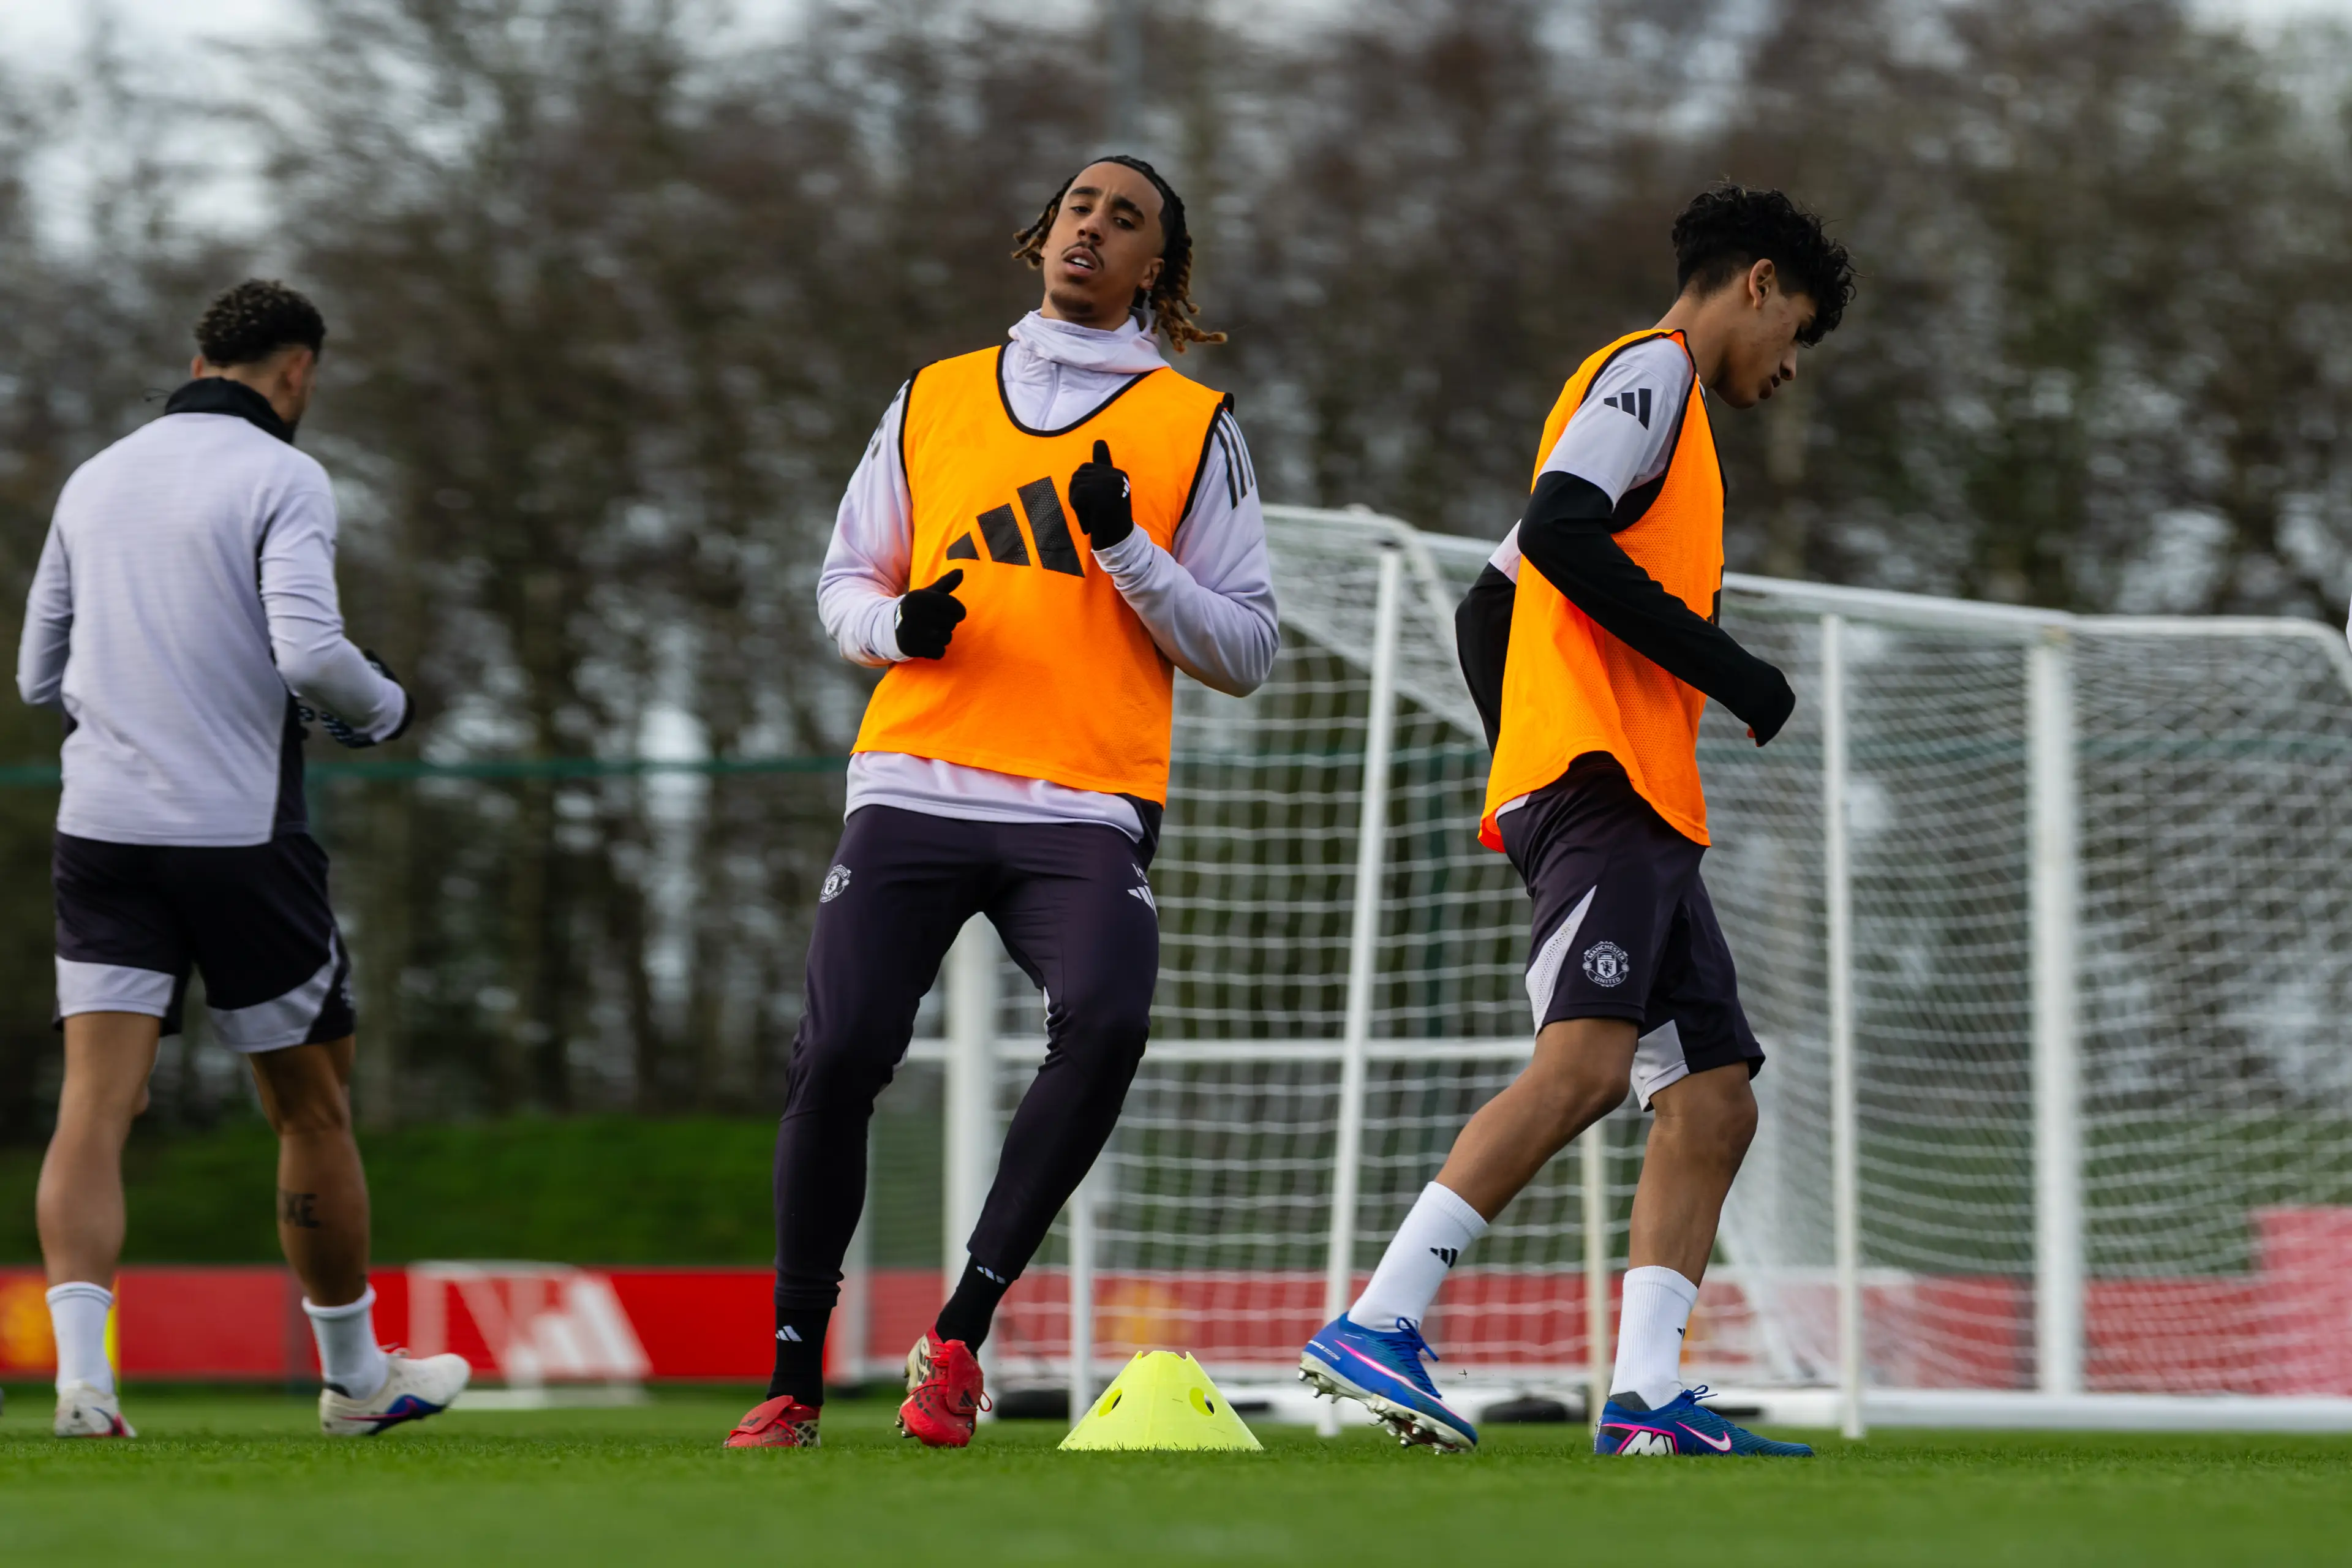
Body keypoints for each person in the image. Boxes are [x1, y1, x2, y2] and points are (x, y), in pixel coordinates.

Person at [725, 156, 1278, 1450]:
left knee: (1110, 1015)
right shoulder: (934, 396)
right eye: (1080, 207)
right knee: (841, 1050)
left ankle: (962, 1332)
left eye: (1126, 218)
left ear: (1159, 269)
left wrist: (1131, 553)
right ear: (1041, 237)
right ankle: (794, 1377)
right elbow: (845, 583)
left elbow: (1248, 648)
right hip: (915, 783)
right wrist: (898, 622)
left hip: (1084, 804)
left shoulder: (1194, 424)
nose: (1095, 227)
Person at [1300, 184, 1853, 1457]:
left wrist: (1523, 750)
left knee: (1714, 1098)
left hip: (1631, 798)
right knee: (1589, 1068)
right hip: (1604, 791)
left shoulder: (1670, 420)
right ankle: (1381, 1319)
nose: (1788, 369)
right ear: (1757, 283)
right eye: (1798, 332)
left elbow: (1488, 602)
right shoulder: (1647, 376)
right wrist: (1721, 672)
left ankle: (1647, 1397)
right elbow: (1557, 531)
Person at [17, 279, 470, 1439]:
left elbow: (36, 674)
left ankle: (83, 1385)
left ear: (197, 355)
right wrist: (383, 710)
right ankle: (359, 1381)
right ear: (298, 369)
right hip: (238, 840)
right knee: (310, 1110)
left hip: (103, 833)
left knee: (95, 1109)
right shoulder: (283, 477)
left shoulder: (98, 476)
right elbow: (313, 656)